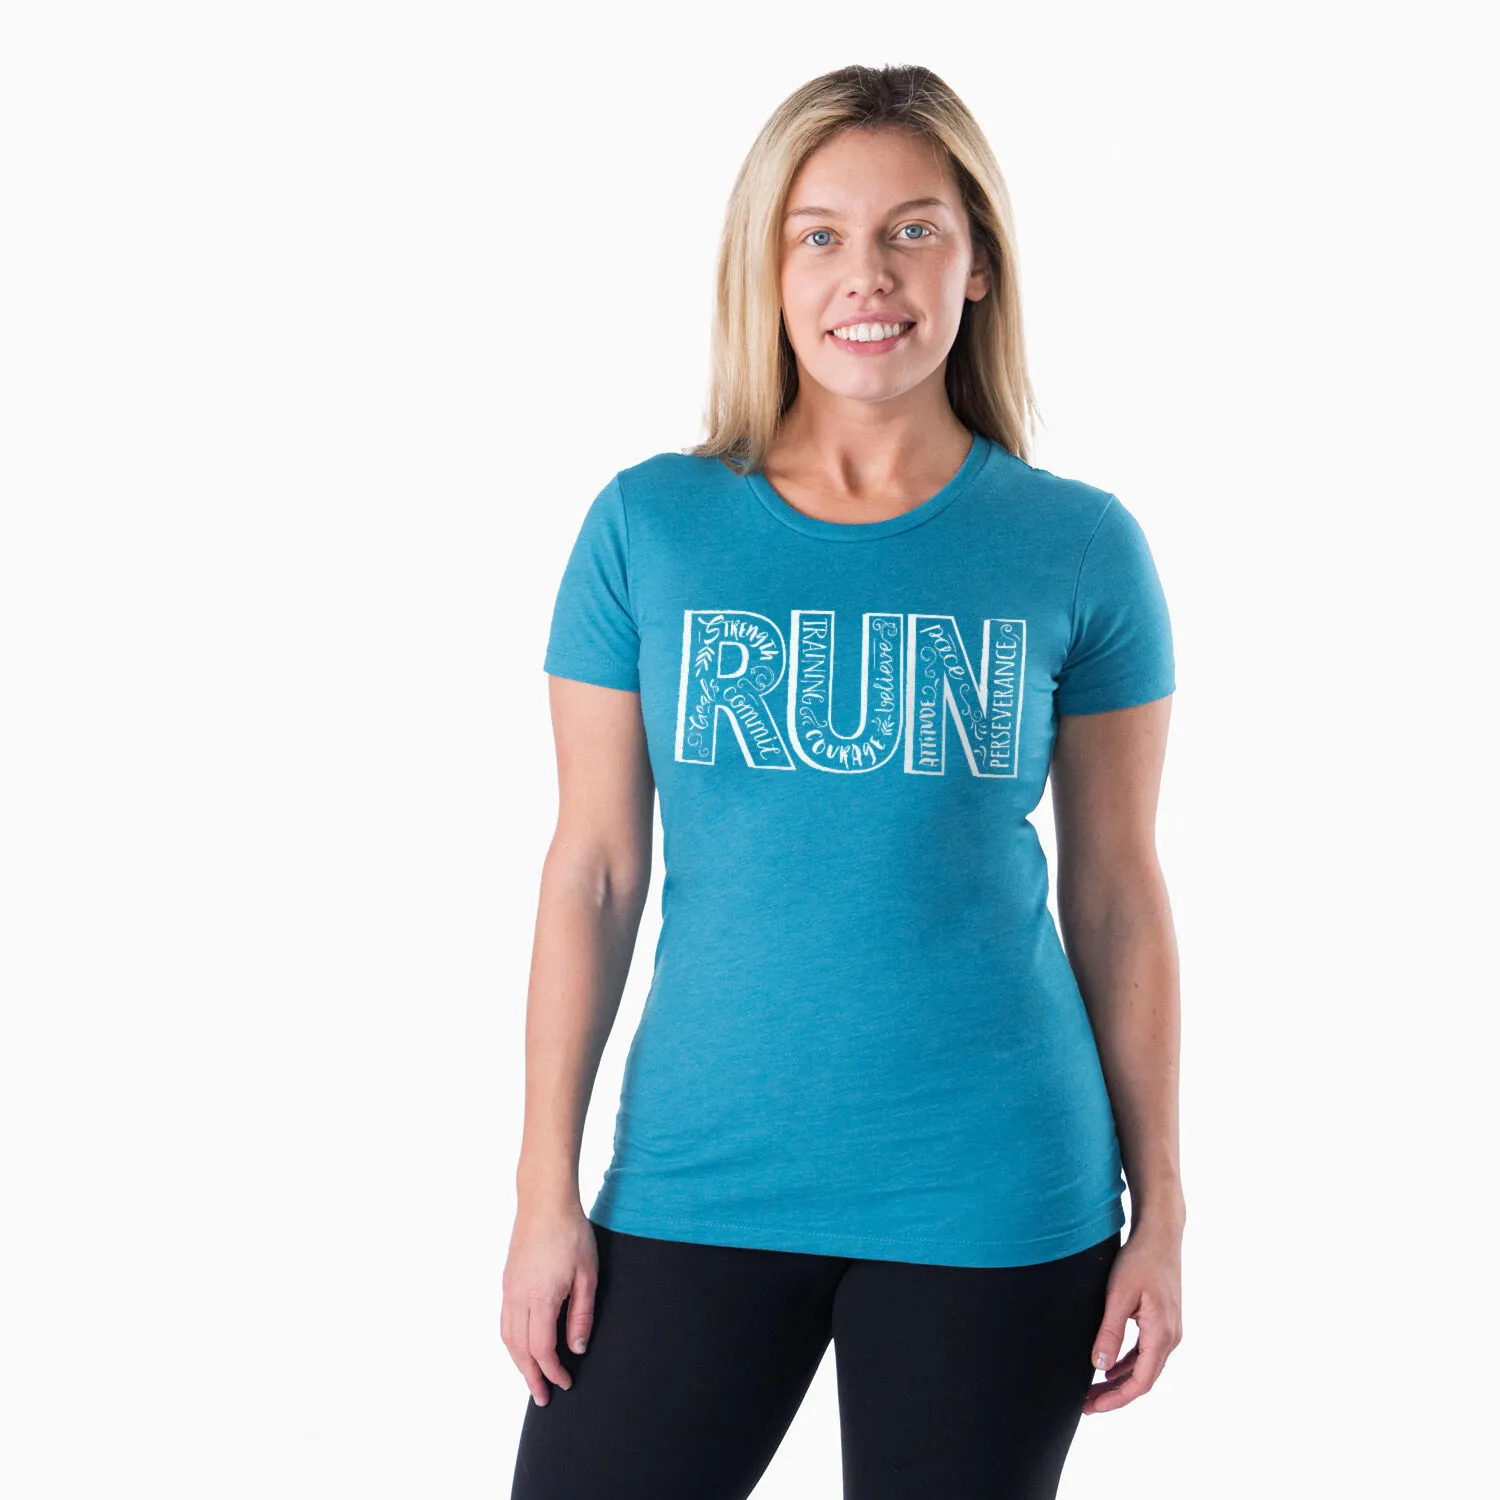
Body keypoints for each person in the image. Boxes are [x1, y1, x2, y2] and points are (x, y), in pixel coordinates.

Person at [504, 62, 1184, 1500]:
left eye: (911, 229)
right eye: (818, 234)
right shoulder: (648, 527)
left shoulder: (1077, 545)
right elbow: (595, 873)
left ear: (978, 261)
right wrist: (541, 1189)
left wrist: (1164, 1204)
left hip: (998, 1190)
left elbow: (1119, 891)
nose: (865, 275)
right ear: (767, 268)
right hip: (698, 1173)